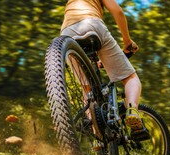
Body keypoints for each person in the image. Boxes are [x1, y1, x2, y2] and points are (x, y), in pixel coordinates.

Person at [61, 0, 143, 131]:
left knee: (87, 90)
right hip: (92, 24)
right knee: (130, 79)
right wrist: (127, 42)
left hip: (66, 34)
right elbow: (118, 12)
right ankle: (132, 110)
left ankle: (96, 137)